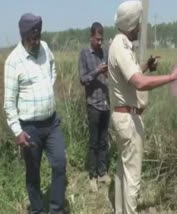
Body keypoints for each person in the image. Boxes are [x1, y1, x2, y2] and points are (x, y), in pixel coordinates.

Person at [108, 1, 177, 213]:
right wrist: (171, 77)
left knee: (123, 173)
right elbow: (139, 82)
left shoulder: (120, 45)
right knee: (132, 177)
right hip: (129, 120)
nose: (142, 27)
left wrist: (146, 67)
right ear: (133, 23)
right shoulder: (121, 47)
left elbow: (131, 75)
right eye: (140, 22)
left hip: (124, 117)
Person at [4, 13, 66, 214]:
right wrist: (17, 131)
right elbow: (9, 103)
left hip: (52, 122)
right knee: (33, 173)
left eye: (38, 36)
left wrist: (48, 85)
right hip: (29, 128)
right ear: (23, 36)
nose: (36, 41)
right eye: (32, 38)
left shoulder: (45, 48)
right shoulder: (13, 61)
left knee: (59, 164)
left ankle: (56, 209)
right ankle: (37, 210)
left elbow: (53, 67)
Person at [79, 22, 111, 192]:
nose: (100, 43)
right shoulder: (84, 54)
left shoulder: (105, 52)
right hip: (93, 104)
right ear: (91, 37)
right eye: (97, 39)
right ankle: (92, 176)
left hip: (106, 104)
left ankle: (102, 172)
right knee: (93, 142)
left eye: (102, 39)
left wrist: (106, 73)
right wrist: (97, 71)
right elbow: (83, 79)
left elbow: (110, 75)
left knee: (104, 140)